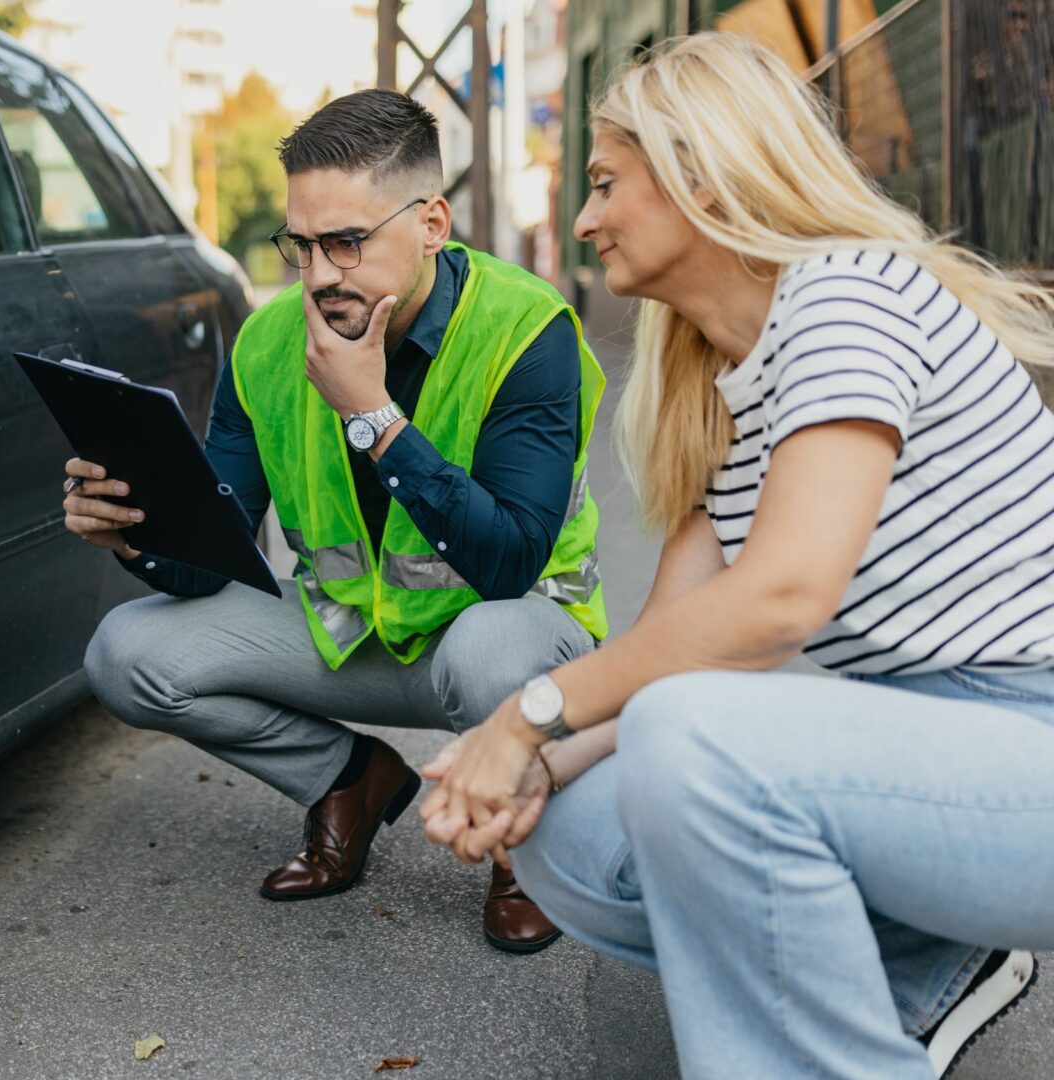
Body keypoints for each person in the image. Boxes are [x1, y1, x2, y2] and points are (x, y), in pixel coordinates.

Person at [419, 33, 1054, 1079]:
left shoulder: (851, 295)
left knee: (687, 738)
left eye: (606, 184)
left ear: (699, 173)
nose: (583, 219)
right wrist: (522, 767)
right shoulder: (721, 388)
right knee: (559, 832)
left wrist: (523, 714)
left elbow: (783, 598)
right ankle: (918, 964)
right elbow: (675, 650)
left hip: (1025, 744)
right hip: (935, 762)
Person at [68, 89, 610, 952]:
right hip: (356, 637)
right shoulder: (268, 341)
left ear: (432, 223)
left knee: (488, 646)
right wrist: (139, 533)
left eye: (347, 242)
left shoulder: (526, 329)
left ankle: (527, 844)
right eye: (303, 245)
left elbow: (508, 562)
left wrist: (373, 417)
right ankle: (348, 781)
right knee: (126, 653)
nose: (320, 274)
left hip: (511, 650)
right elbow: (213, 561)